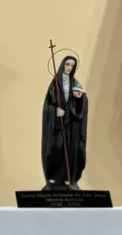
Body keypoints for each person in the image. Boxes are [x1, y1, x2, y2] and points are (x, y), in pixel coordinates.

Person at [41, 55, 88, 190]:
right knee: (57, 147)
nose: (69, 68)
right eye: (67, 64)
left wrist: (79, 99)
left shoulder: (75, 83)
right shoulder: (55, 84)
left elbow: (82, 103)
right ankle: (53, 178)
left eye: (72, 65)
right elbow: (48, 105)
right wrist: (55, 111)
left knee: (71, 149)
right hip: (58, 125)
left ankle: (69, 178)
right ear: (62, 65)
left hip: (71, 126)